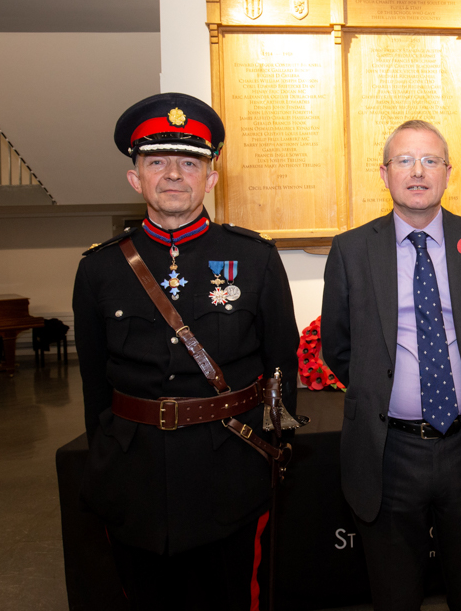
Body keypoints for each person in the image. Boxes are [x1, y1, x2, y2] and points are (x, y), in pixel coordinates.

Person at [72, 92, 299, 610]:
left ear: (211, 178)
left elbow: (280, 364)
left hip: (230, 467)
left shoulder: (254, 257)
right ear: (136, 179)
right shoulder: (100, 268)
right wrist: (107, 453)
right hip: (135, 472)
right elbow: (92, 380)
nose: (173, 174)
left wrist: (269, 447)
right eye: (157, 162)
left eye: (189, 162)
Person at [321, 120, 461, 611]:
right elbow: (339, 347)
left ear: (448, 173)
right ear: (383, 173)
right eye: (404, 160)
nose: (417, 172)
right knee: (394, 595)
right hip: (389, 451)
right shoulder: (350, 250)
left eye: (430, 160)